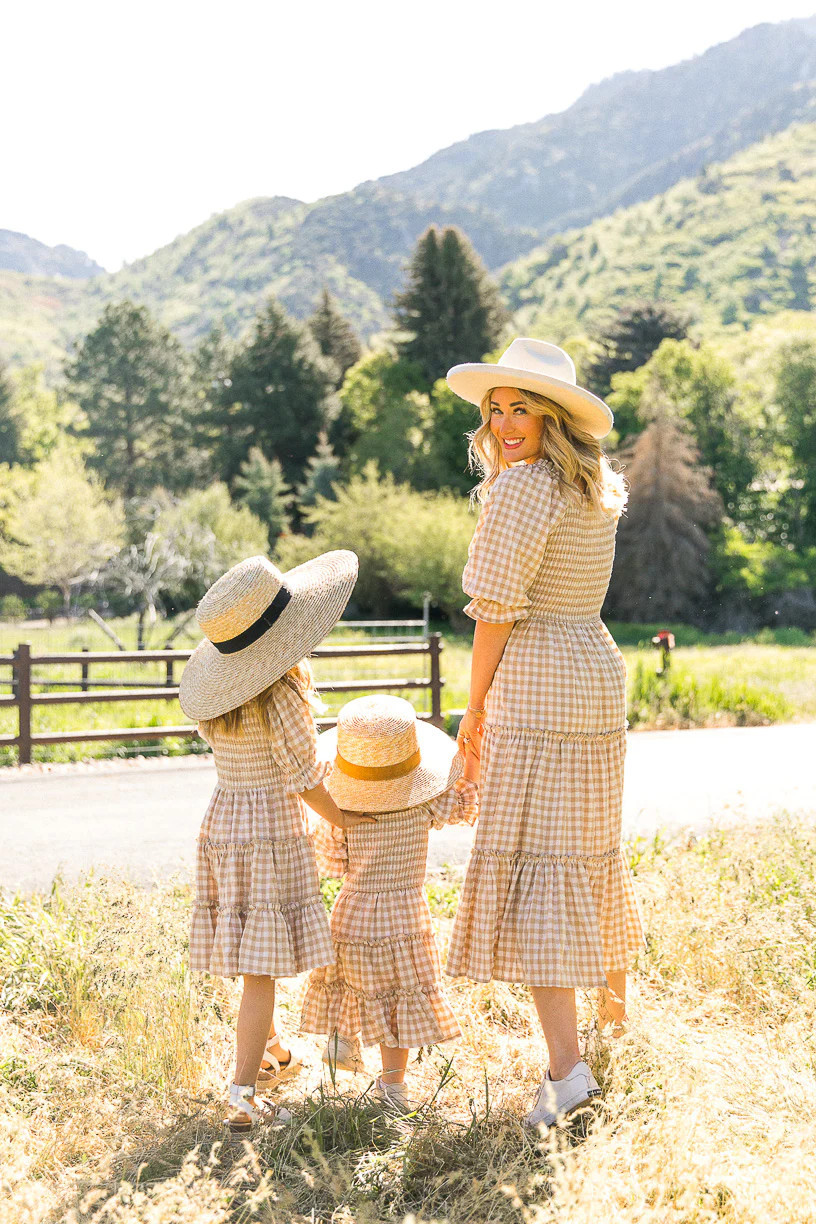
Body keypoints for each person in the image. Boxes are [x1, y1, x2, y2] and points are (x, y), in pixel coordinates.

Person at [444, 338, 645, 1129]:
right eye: (495, 409)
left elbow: (495, 612)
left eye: (520, 408)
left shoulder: (523, 488)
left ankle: (567, 1073)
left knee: (538, 870)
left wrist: (473, 710)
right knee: (589, 853)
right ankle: (615, 1031)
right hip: (593, 667)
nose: (503, 423)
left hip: (537, 680)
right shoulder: (592, 486)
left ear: (553, 417)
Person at [178, 550, 372, 1134]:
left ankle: (271, 1053)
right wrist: (348, 821)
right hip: (267, 831)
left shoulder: (222, 704)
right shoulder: (283, 697)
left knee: (249, 950)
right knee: (261, 971)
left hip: (225, 824)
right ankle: (241, 1095)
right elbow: (305, 779)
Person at [300, 695, 478, 1114]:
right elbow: (466, 802)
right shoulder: (425, 801)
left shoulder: (341, 810)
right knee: (398, 997)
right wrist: (471, 754)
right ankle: (393, 1086)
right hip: (404, 915)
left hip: (353, 912)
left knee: (353, 985)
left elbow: (331, 864)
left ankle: (343, 1038)